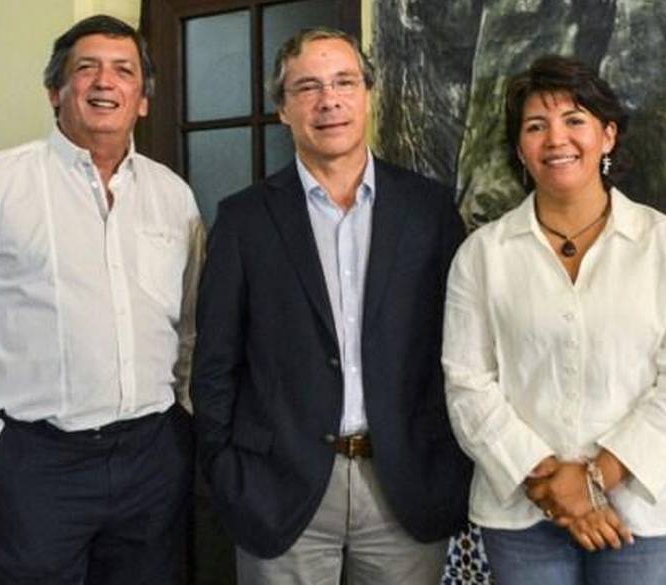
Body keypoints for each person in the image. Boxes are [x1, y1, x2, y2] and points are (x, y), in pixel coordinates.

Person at [0, 15, 203, 585]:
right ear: (56, 91)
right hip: (39, 461)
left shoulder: (174, 196)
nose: (105, 82)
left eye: (124, 71)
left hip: (152, 459)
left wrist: (183, 425)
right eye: (86, 68)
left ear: (143, 99)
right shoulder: (0, 183)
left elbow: (190, 330)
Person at [192, 27, 472, 585]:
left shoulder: (429, 211)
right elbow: (215, 362)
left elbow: (459, 346)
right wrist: (227, 469)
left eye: (345, 82)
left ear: (367, 94)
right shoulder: (244, 220)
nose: (329, 100)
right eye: (308, 87)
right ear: (283, 109)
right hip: (278, 489)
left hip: (404, 485)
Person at [442, 55, 666, 585]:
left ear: (607, 135)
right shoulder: (483, 255)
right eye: (535, 126)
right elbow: (467, 383)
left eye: (575, 120)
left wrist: (591, 482)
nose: (556, 139)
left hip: (646, 515)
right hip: (522, 514)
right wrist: (547, 483)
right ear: (520, 147)